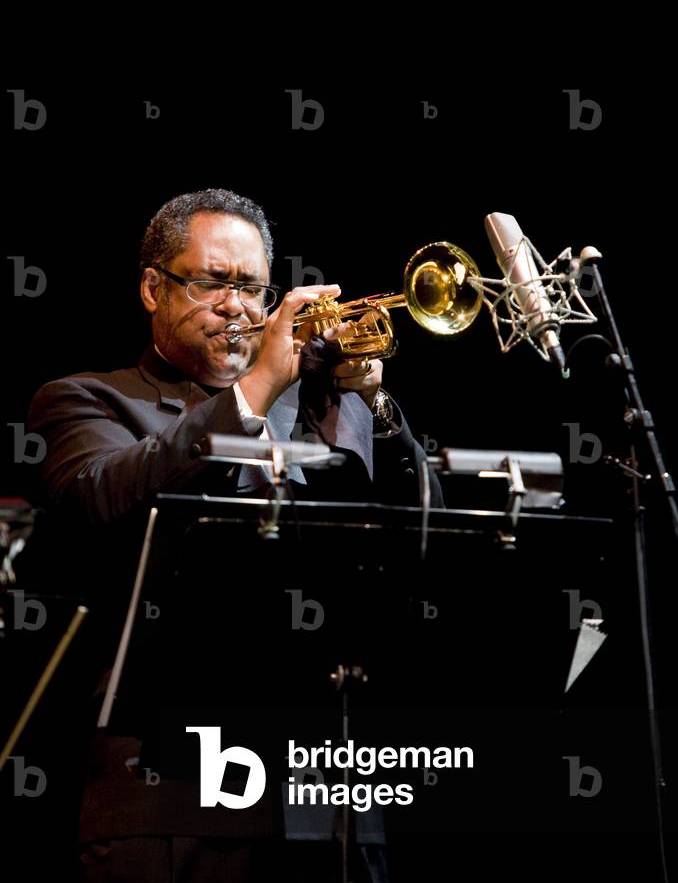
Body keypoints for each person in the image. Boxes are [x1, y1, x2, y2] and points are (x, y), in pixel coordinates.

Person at [26, 187, 442, 882]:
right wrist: (258, 387)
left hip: (327, 803)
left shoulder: (321, 409)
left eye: (252, 288)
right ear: (153, 289)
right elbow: (105, 497)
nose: (237, 307)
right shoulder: (86, 399)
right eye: (212, 282)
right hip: (176, 805)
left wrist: (372, 400)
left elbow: (419, 532)